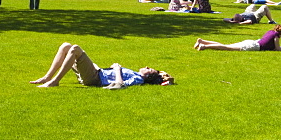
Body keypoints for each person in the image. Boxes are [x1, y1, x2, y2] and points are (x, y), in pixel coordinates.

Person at [30, 42, 174, 88]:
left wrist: (117, 69)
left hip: (95, 78)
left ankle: (55, 81)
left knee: (75, 49)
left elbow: (119, 85)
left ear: (147, 75)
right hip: (97, 71)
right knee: (66, 45)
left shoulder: (139, 79)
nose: (147, 66)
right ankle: (47, 77)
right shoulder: (138, 75)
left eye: (149, 69)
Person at [194, 24, 281, 52]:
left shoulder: (270, 31)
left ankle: (203, 42)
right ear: (280, 32)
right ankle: (204, 46)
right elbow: (277, 48)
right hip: (253, 46)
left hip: (252, 42)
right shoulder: (276, 35)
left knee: (227, 46)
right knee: (227, 47)